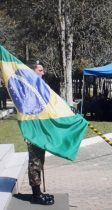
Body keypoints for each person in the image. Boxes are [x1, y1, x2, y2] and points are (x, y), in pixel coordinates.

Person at [26, 64, 55, 205]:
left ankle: (38, 192)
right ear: (32, 71)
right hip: (33, 131)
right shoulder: (28, 88)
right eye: (40, 70)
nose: (43, 73)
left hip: (40, 131)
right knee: (34, 163)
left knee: (39, 161)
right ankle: (36, 195)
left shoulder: (38, 87)